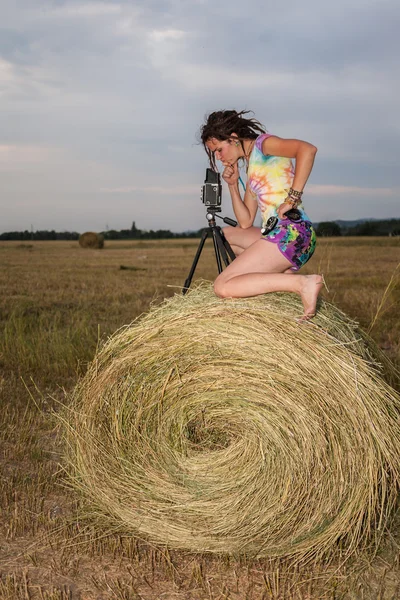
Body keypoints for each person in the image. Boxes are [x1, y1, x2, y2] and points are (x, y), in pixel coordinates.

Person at [199, 109, 325, 321]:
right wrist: (232, 185)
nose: (219, 157)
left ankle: (302, 284)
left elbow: (307, 150)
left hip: (292, 234)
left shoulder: (264, 145)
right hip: (277, 232)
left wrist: (292, 198)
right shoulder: (252, 166)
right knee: (227, 235)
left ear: (233, 138)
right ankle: (280, 277)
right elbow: (246, 221)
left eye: (219, 150)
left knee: (222, 286)